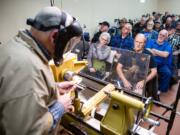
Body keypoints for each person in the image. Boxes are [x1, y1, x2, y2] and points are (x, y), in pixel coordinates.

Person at [0, 6, 82, 135]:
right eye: (68, 44)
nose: (67, 49)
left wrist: (53, 88)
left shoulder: (18, 46)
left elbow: (21, 91)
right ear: (55, 36)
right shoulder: (28, 70)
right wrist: (59, 107)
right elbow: (26, 131)